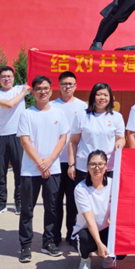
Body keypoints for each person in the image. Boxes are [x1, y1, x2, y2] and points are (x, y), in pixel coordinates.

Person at [17, 75, 69, 263]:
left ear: (51, 90)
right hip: (30, 170)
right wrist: (40, 163)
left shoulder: (59, 114)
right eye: (38, 88)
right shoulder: (27, 114)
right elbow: (25, 141)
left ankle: (49, 242)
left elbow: (63, 138)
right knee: (27, 209)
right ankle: (25, 246)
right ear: (33, 92)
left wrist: (50, 160)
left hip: (52, 169)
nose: (42, 91)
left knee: (52, 208)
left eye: (46, 88)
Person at [72, 150, 127, 269]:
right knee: (84, 239)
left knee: (123, 244)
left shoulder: (113, 184)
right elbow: (90, 220)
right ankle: (85, 259)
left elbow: (121, 207)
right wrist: (99, 243)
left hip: (106, 229)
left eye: (100, 164)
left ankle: (109, 257)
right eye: (93, 164)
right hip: (86, 231)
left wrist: (111, 217)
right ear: (87, 167)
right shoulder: (81, 189)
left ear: (106, 166)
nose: (97, 168)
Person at [51, 71, 89, 247]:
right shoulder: (51, 106)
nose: (67, 87)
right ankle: (54, 235)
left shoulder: (82, 107)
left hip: (75, 162)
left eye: (70, 84)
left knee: (74, 201)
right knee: (55, 201)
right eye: (64, 84)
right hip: (55, 161)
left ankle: (72, 235)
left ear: (76, 86)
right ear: (58, 86)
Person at [0, 66, 30, 216]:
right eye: (3, 76)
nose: (6, 79)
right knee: (0, 172)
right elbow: (9, 104)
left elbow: (36, 78)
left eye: (9, 76)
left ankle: (19, 202)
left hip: (18, 136)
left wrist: (33, 56)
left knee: (20, 172)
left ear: (13, 77)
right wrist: (23, 93)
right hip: (1, 136)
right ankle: (1, 204)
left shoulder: (20, 88)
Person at [68, 83, 126, 185]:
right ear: (93, 96)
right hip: (84, 166)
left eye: (106, 95)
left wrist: (120, 143)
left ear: (110, 98)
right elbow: (73, 142)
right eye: (99, 94)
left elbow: (121, 138)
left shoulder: (116, 117)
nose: (102, 97)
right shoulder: (82, 115)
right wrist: (71, 165)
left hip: (108, 166)